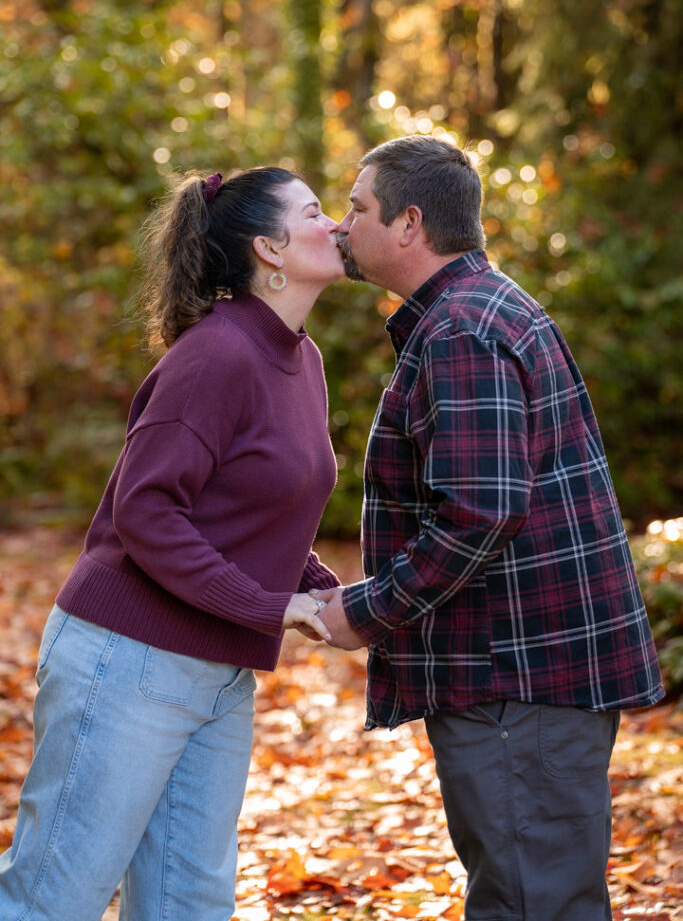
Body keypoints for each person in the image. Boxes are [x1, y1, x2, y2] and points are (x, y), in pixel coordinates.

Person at [317, 135, 664, 921]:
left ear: (408, 225)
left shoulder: (461, 332)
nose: (342, 226)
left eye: (356, 208)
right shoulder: (478, 309)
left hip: (517, 678)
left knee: (528, 900)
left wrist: (364, 612)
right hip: (524, 674)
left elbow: (479, 513)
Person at [0, 166, 345, 921]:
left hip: (219, 672)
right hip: (128, 658)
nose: (337, 224)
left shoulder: (302, 359)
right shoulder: (214, 354)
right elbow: (147, 510)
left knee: (187, 902)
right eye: (315, 211)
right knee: (53, 896)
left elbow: (256, 507)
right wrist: (266, 604)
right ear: (270, 249)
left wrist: (320, 589)